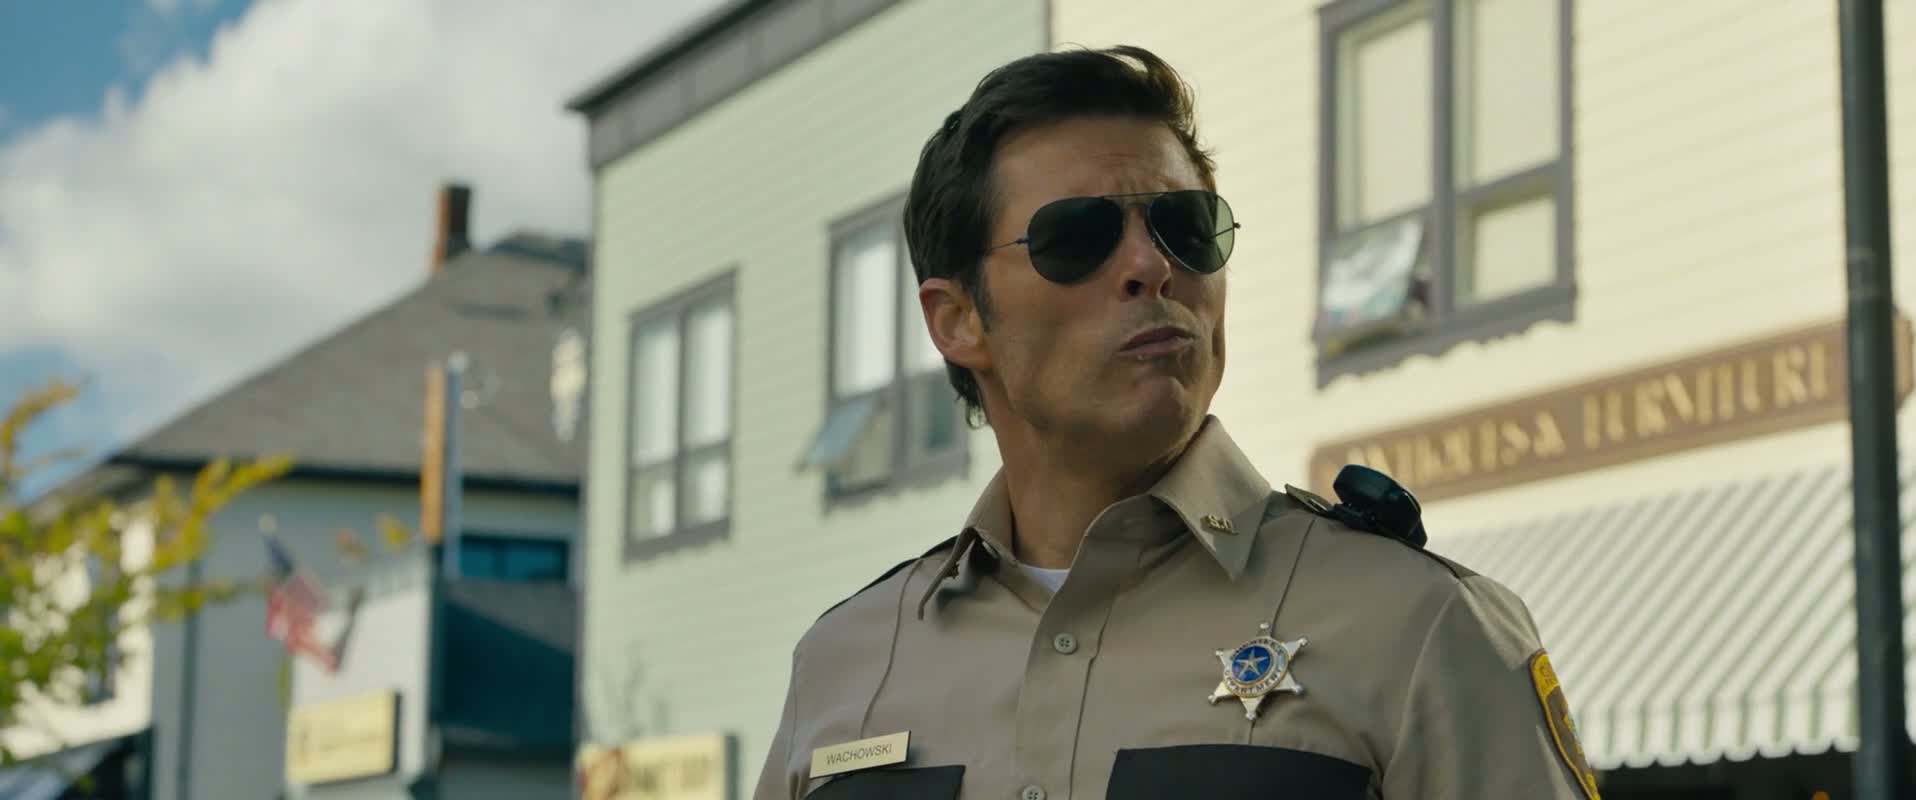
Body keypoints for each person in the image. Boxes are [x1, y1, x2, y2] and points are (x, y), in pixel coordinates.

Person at [752, 45, 1598, 800]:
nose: (1150, 265)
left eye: (1186, 227)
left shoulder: (1416, 624)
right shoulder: (845, 663)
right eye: (1077, 236)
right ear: (957, 320)